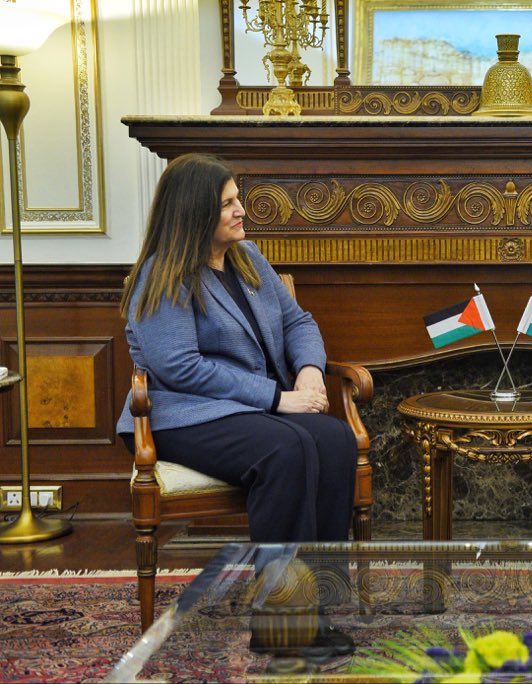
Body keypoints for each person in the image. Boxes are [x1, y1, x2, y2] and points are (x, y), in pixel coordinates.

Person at [115, 153, 357, 655]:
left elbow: (298, 322)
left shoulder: (249, 259)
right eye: (228, 204)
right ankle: (279, 625)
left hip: (249, 409)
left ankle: (312, 606)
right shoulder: (163, 275)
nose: (241, 210)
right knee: (284, 450)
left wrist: (309, 372)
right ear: (195, 212)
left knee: (334, 440)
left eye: (237, 199)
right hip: (182, 413)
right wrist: (278, 397)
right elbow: (180, 368)